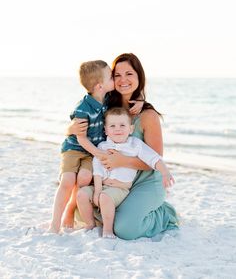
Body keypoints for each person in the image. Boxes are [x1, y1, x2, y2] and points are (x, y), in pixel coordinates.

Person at [68, 53, 179, 240]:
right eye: (117, 75)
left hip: (145, 181)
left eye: (129, 74)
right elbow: (81, 119)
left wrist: (121, 161)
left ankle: (165, 213)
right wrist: (71, 128)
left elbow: (155, 158)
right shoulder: (105, 106)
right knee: (85, 208)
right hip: (113, 181)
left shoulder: (147, 115)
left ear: (139, 77)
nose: (123, 80)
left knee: (125, 230)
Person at [77, 107, 174, 238]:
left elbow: (153, 158)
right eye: (112, 126)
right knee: (81, 195)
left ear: (131, 129)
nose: (118, 129)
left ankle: (108, 230)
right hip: (102, 186)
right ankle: (90, 224)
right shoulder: (102, 146)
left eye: (122, 125)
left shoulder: (135, 145)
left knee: (105, 198)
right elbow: (98, 171)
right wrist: (97, 190)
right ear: (105, 130)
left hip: (120, 189)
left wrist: (165, 172)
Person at [48, 60, 114, 233]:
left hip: (90, 152)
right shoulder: (82, 109)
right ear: (100, 86)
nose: (114, 78)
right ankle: (55, 223)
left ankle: (71, 207)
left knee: (84, 178)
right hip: (74, 149)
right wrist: (99, 153)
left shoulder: (107, 101)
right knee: (68, 181)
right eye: (111, 76)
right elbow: (81, 138)